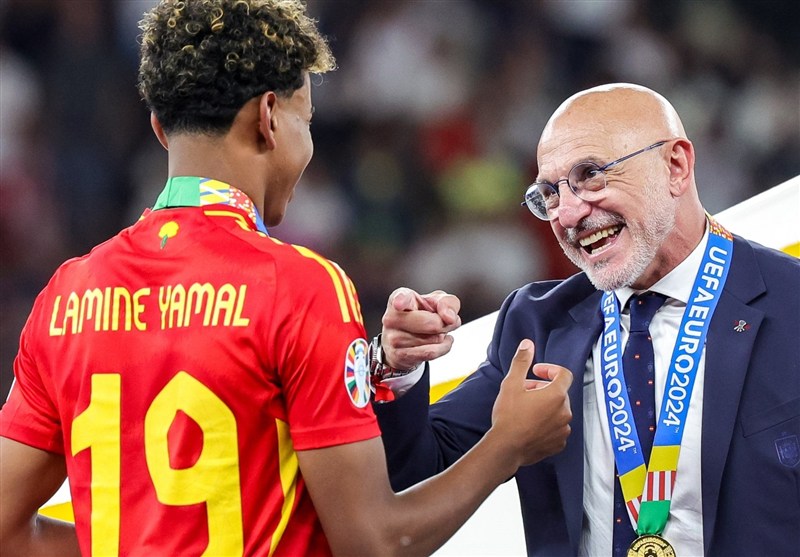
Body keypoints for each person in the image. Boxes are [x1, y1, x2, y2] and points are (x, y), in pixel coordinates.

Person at [0, 2, 576, 556]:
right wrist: (506, 446)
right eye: (307, 120)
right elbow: (376, 543)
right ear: (270, 117)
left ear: (159, 128)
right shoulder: (300, 287)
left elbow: (6, 532)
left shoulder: (66, 295)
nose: (308, 145)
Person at [373, 83, 800, 557]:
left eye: (591, 175)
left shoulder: (791, 303)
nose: (569, 213)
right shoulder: (535, 326)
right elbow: (415, 474)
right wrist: (400, 368)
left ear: (675, 166)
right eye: (549, 194)